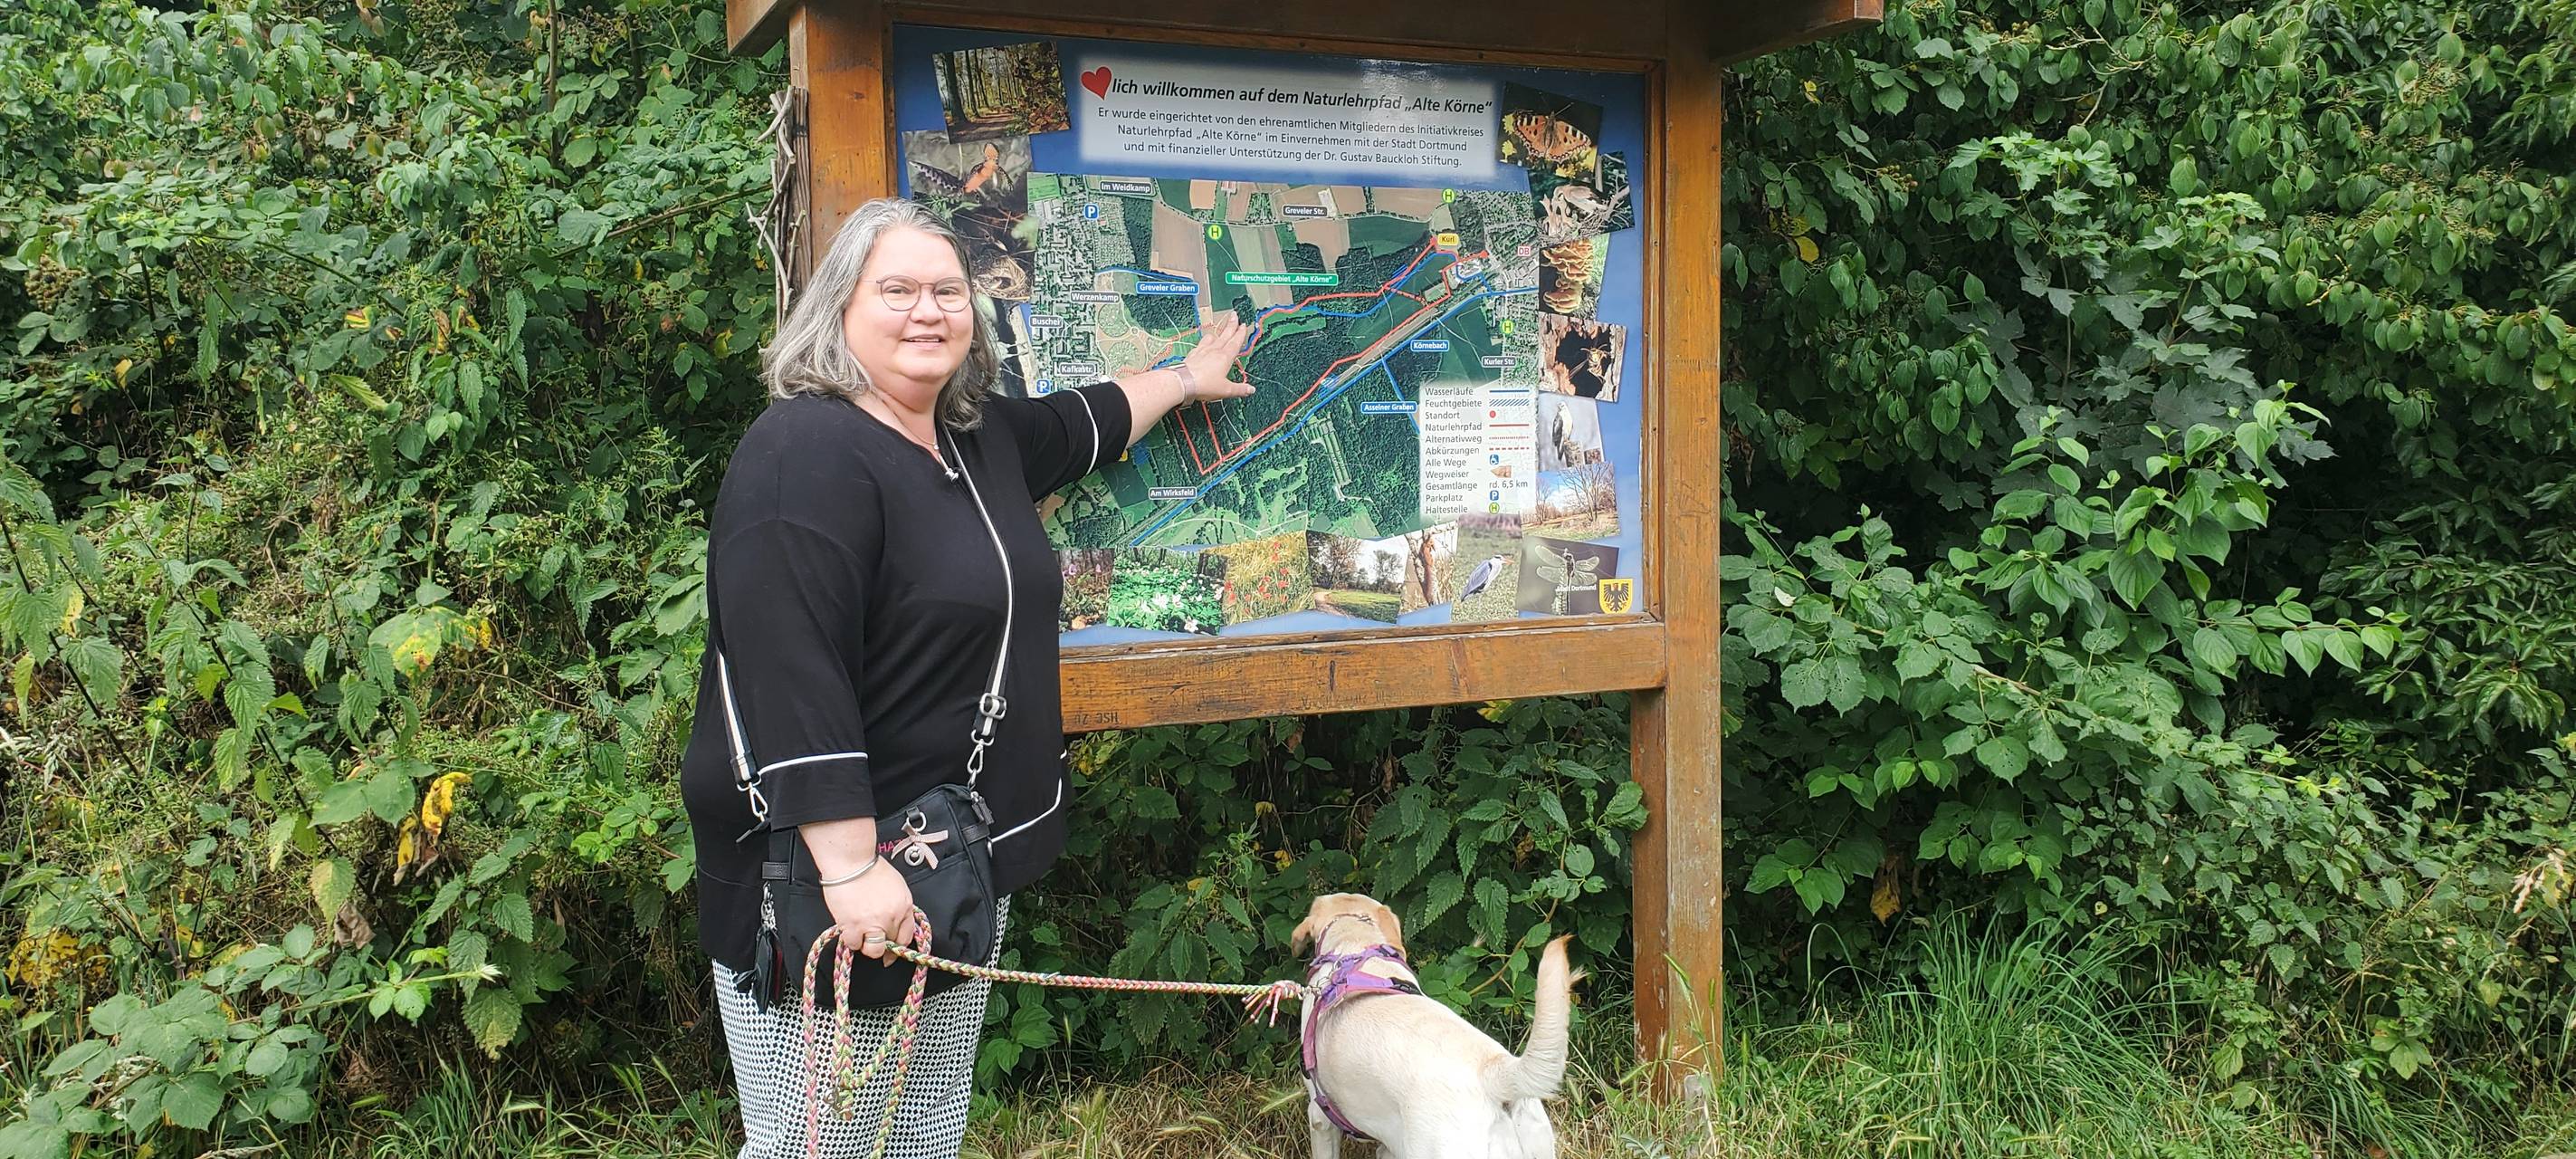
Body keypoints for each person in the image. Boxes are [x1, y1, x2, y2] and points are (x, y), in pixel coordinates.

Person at [679, 197, 1255, 1159]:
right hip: (831, 876)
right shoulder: (801, 454)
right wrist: (852, 867)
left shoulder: (970, 435)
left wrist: (1184, 378)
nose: (927, 310)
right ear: (839, 308)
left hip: (947, 855)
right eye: (895, 289)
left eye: (947, 290)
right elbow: (789, 671)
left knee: (919, 1122)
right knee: (815, 1136)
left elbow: (1086, 421)